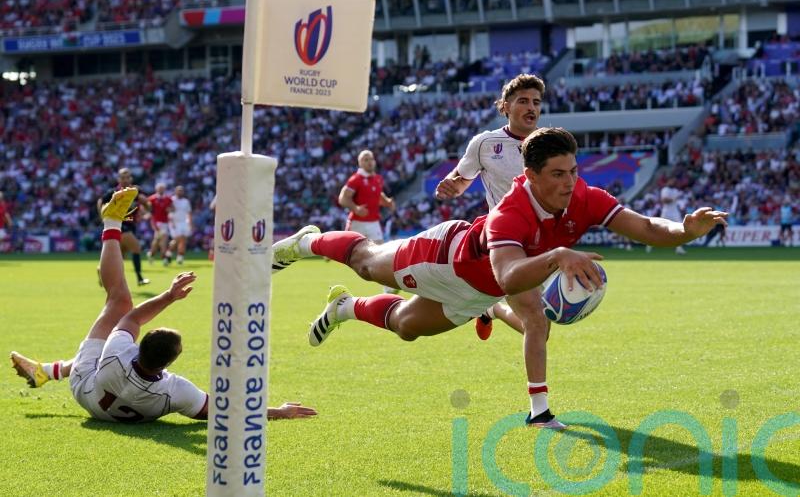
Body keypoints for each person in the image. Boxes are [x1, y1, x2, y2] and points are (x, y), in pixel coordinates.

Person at [271, 127, 727, 429]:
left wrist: (683, 231)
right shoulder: (510, 211)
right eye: (557, 174)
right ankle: (304, 242)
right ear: (530, 175)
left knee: (407, 328)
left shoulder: (584, 197)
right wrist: (557, 255)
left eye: (573, 171)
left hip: (476, 293)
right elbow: (509, 276)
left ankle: (345, 308)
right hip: (444, 258)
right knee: (368, 262)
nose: (570, 182)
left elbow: (646, 227)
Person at [11, 188, 316, 422]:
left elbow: (130, 316)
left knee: (118, 298)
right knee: (113, 317)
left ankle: (110, 224)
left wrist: (169, 296)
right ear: (169, 364)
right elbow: (224, 411)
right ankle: (45, 371)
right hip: (106, 407)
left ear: (137, 346)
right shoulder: (176, 391)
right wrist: (278, 411)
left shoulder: (118, 353)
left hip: (86, 388)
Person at [436, 73, 545, 340]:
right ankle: (493, 307)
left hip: (543, 241)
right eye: (523, 101)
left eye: (536, 102)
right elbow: (461, 180)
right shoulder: (485, 143)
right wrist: (450, 186)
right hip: (505, 242)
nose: (531, 107)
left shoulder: (549, 144)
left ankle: (490, 308)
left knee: (538, 324)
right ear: (505, 106)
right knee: (535, 327)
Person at [338, 149, 396, 293]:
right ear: (360, 163)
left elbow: (377, 194)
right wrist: (356, 208)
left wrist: (387, 202)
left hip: (373, 222)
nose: (369, 162)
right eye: (366, 159)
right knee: (341, 249)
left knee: (383, 253)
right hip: (357, 222)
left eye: (371, 159)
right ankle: (326, 251)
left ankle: (388, 289)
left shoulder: (377, 178)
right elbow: (343, 198)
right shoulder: (355, 179)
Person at [98, 168, 150, 286]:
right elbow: (100, 202)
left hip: (131, 226)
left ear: (131, 178)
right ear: (118, 179)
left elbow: (146, 204)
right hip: (120, 225)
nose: (125, 180)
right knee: (136, 247)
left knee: (118, 256)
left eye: (127, 177)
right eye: (122, 177)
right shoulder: (113, 192)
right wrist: (103, 217)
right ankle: (140, 278)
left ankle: (100, 269)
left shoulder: (135, 191)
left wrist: (145, 209)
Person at [647, 179, 686, 255]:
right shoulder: (665, 189)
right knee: (659, 230)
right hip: (666, 212)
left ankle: (679, 248)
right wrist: (674, 198)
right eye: (671, 181)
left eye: (674, 181)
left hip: (675, 212)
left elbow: (676, 200)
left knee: (681, 229)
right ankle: (649, 244)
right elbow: (664, 200)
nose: (673, 182)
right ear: (668, 182)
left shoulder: (675, 190)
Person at [147, 183, 173, 266]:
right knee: (162, 240)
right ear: (156, 189)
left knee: (158, 241)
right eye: (159, 188)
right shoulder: (152, 199)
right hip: (156, 222)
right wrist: (152, 222)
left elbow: (172, 209)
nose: (161, 190)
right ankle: (164, 258)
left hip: (165, 222)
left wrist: (169, 210)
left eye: (162, 188)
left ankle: (151, 254)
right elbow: (149, 211)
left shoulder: (168, 199)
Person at [168, 185, 192, 265]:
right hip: (175, 222)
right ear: (175, 191)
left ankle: (180, 257)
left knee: (183, 240)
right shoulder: (171, 200)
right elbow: (169, 211)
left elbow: (189, 213)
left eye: (181, 190)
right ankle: (169, 252)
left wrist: (190, 223)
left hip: (184, 222)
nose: (180, 192)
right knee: (177, 239)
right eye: (178, 190)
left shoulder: (186, 201)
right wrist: (171, 221)